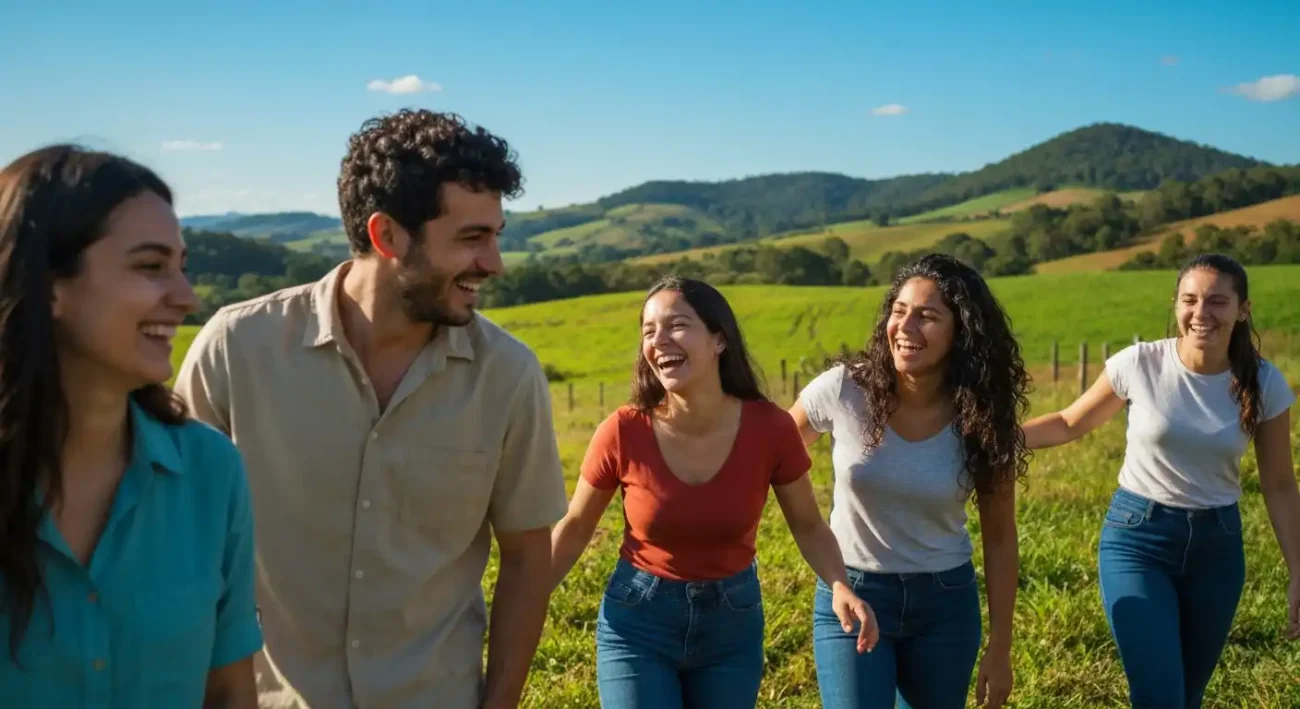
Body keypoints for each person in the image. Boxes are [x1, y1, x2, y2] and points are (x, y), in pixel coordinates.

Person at [174, 109, 569, 709]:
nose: (494, 263)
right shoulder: (235, 350)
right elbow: (178, 545)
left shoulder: (507, 374)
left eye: (495, 235)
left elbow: (525, 557)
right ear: (387, 236)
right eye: (471, 238)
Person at [0, 145, 262, 707]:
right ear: (48, 284)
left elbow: (229, 693)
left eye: (182, 267)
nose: (186, 298)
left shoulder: (210, 473)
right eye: (150, 267)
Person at [550, 276, 879, 708]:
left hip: (731, 625)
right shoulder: (622, 430)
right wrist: (527, 595)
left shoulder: (771, 428)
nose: (659, 340)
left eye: (676, 325)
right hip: (638, 623)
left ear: (719, 339)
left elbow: (809, 525)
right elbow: (575, 527)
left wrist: (840, 584)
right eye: (649, 331)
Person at [1021, 253, 1299, 708]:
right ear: (1176, 304)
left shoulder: (1264, 383)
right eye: (1189, 300)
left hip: (1218, 549)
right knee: (1159, 695)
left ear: (1242, 309)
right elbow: (1070, 423)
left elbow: (1280, 484)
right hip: (1138, 540)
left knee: (1188, 695)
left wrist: (1298, 569)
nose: (1201, 313)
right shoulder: (1141, 363)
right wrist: (992, 442)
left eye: (1217, 301)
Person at [789, 253, 1026, 709]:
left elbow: (999, 536)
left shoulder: (982, 415)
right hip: (853, 595)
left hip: (945, 605)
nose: (905, 327)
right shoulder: (844, 389)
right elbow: (766, 458)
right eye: (899, 311)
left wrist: (1000, 647)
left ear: (962, 332)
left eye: (927, 316)